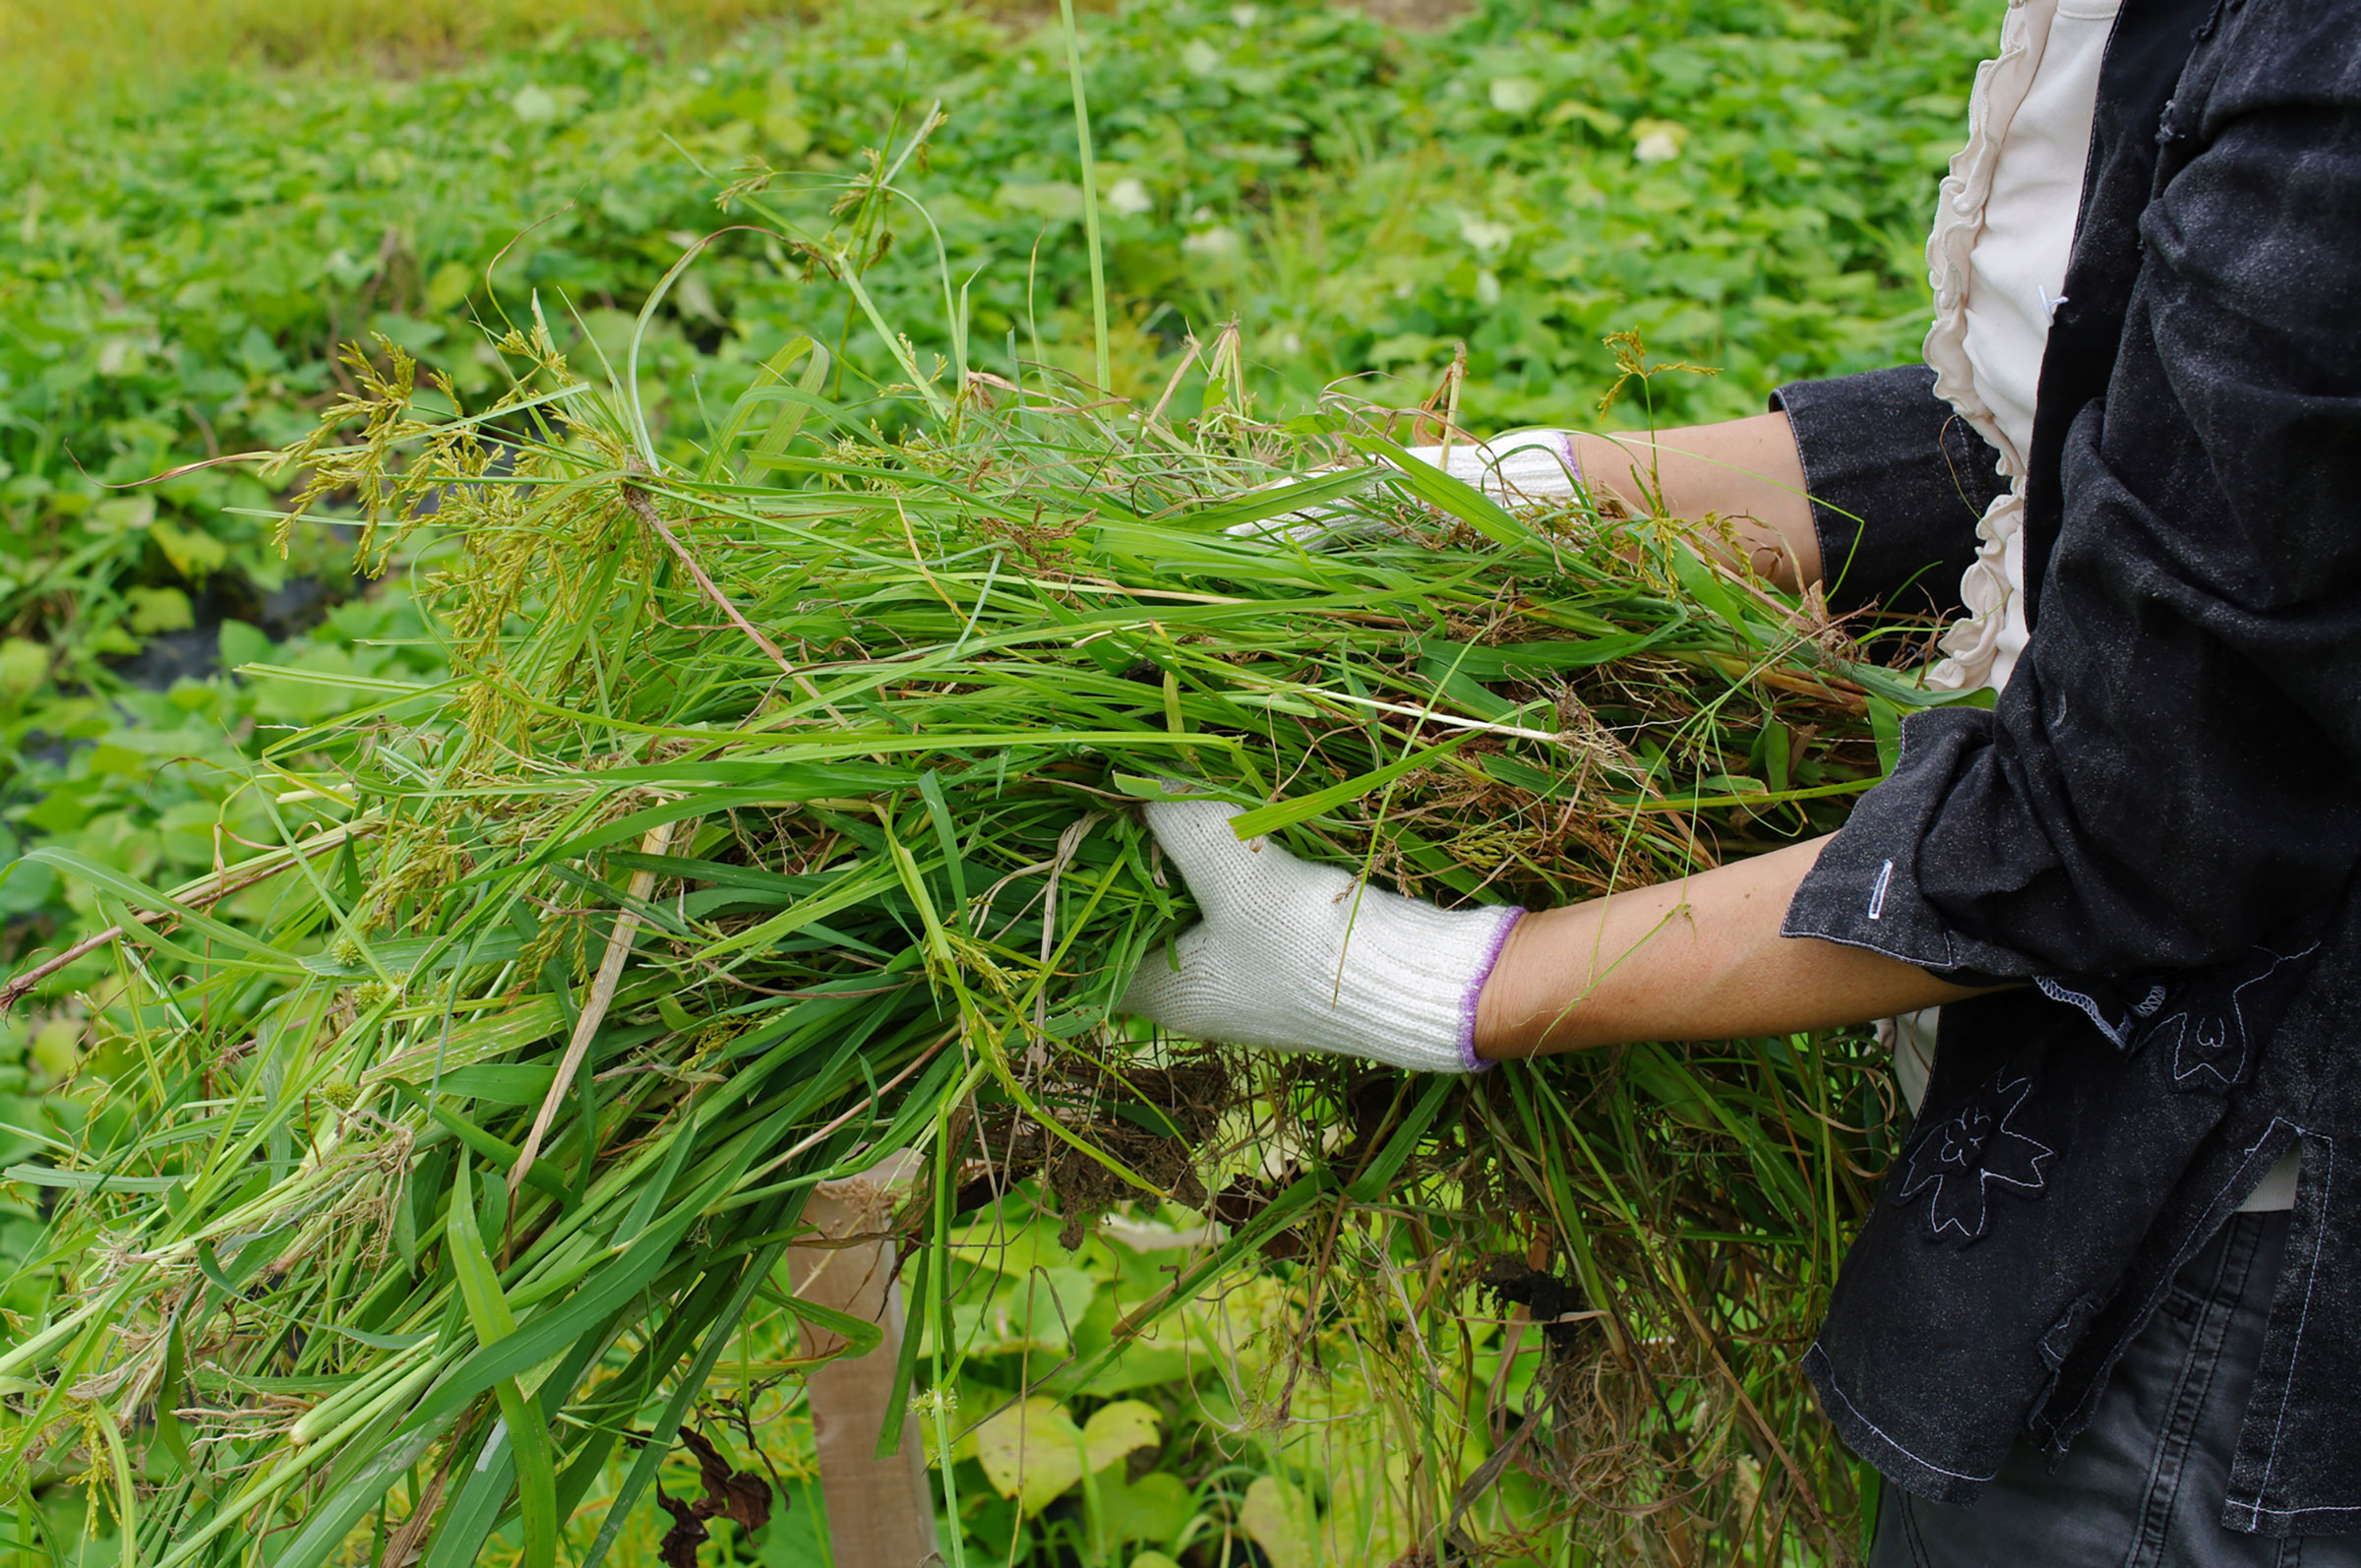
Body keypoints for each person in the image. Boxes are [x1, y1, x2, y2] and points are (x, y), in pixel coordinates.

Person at [1118, 0, 2361, 1559]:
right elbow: (2140, 427)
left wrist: (1437, 982)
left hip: (2218, 1284)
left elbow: (2136, 810)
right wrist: (1546, 492)